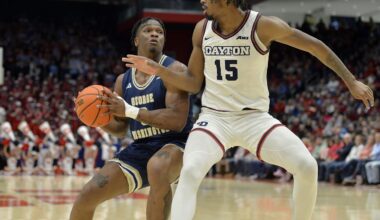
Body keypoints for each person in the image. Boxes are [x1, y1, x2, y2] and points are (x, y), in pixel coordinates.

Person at [122, 0, 375, 219]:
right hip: (214, 118)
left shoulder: (263, 25)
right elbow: (192, 82)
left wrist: (351, 81)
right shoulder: (202, 29)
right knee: (189, 172)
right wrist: (158, 70)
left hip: (255, 118)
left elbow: (315, 46)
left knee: (307, 166)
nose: (202, 2)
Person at [70, 17, 193, 220]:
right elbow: (119, 129)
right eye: (148, 31)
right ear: (136, 40)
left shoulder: (175, 70)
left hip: (176, 144)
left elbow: (177, 120)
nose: (154, 34)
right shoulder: (123, 80)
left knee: (158, 167)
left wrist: (130, 111)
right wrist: (95, 118)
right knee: (88, 195)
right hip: (141, 147)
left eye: (159, 32)